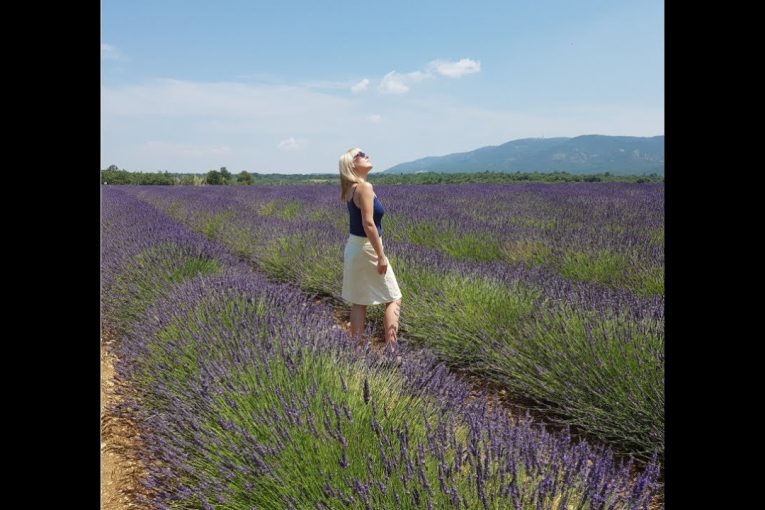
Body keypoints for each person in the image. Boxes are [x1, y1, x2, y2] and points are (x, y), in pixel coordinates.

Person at [338, 148, 402, 354]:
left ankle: (355, 352)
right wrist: (381, 255)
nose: (366, 155)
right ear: (352, 165)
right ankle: (392, 350)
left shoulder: (350, 188)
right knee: (393, 297)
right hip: (368, 248)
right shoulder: (364, 187)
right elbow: (369, 224)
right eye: (360, 155)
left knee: (359, 301)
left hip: (354, 247)